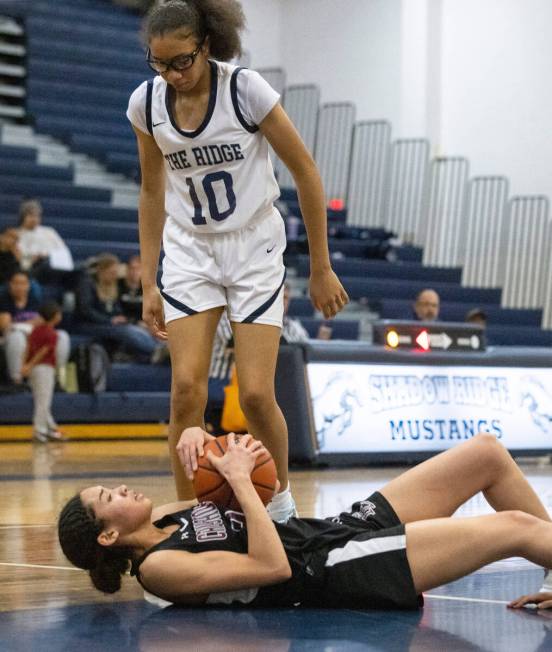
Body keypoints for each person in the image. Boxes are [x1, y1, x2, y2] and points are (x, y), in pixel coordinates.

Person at [126, 0, 348, 515]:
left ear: (207, 46)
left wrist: (321, 265)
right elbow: (151, 192)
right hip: (190, 250)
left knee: (253, 395)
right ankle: (193, 518)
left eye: (183, 60)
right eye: (159, 64)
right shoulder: (146, 104)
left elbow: (306, 172)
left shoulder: (244, 89)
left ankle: (283, 506)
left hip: (253, 246)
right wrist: (149, 282)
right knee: (185, 391)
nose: (172, 74)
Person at [59, 431, 552, 610]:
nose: (122, 489)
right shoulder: (161, 571)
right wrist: (246, 483)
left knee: (485, 453)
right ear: (108, 534)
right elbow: (273, 567)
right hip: (334, 569)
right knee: (512, 528)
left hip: (333, 529)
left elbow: (219, 482)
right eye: (109, 496)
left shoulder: (166, 517)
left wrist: (203, 439)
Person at [77, 253, 164, 363]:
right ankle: (156, 350)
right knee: (127, 331)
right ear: (102, 271)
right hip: (89, 324)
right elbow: (86, 310)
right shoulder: (88, 283)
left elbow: (114, 307)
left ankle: (160, 348)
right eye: (112, 273)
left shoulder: (111, 285)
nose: (115, 276)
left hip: (106, 322)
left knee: (137, 328)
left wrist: (117, 317)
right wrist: (110, 320)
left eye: (115, 273)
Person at [0, 271, 70, 384]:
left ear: (28, 285)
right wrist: (31, 323)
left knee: (62, 336)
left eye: (23, 283)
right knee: (17, 338)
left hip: (35, 335)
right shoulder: (3, 300)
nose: (19, 287)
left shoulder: (36, 300)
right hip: (10, 337)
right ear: (10, 285)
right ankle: (17, 379)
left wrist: (21, 324)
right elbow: (5, 326)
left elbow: (47, 321)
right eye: (16, 283)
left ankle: (55, 377)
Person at [20, 300, 66, 442]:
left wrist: (25, 365)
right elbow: (43, 352)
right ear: (54, 316)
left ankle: (51, 428)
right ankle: (40, 431)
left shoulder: (35, 331)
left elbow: (28, 347)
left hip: (34, 369)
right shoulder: (52, 334)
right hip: (44, 368)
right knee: (43, 401)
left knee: (41, 400)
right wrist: (31, 364)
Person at [17, 199, 74, 282]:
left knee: (81, 274)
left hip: (56, 266)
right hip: (36, 268)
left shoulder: (49, 231)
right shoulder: (17, 234)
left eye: (37, 216)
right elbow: (23, 262)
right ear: (23, 217)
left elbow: (63, 251)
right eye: (31, 215)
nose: (34, 219)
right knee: (45, 262)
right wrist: (36, 258)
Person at [118, 255, 144, 324]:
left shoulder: (148, 288)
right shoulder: (118, 285)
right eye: (132, 268)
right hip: (122, 324)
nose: (135, 272)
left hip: (143, 325)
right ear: (127, 269)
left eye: (138, 269)